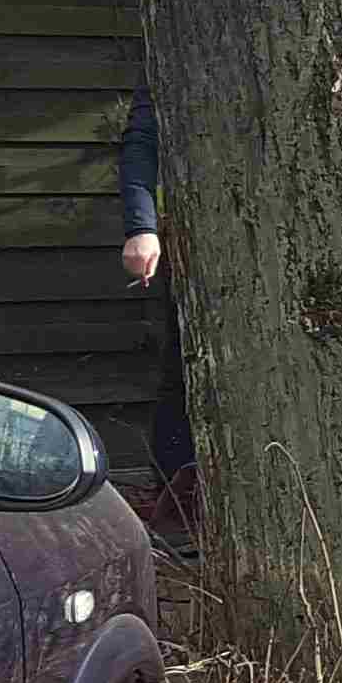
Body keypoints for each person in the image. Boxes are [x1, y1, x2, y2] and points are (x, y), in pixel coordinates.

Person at [113, 93, 193, 491]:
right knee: (183, 368)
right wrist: (141, 228)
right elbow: (142, 144)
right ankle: (174, 493)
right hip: (196, 252)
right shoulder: (172, 54)